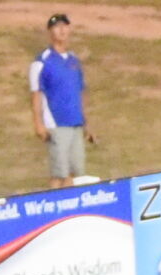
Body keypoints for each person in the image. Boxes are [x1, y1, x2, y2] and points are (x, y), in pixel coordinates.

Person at [29, 13, 93, 189]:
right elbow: (36, 94)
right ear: (50, 32)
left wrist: (86, 123)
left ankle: (70, 209)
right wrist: (38, 123)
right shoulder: (42, 61)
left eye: (65, 26)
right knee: (59, 172)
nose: (62, 30)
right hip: (56, 123)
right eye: (57, 27)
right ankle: (54, 208)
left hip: (75, 123)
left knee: (74, 171)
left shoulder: (74, 61)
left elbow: (80, 92)